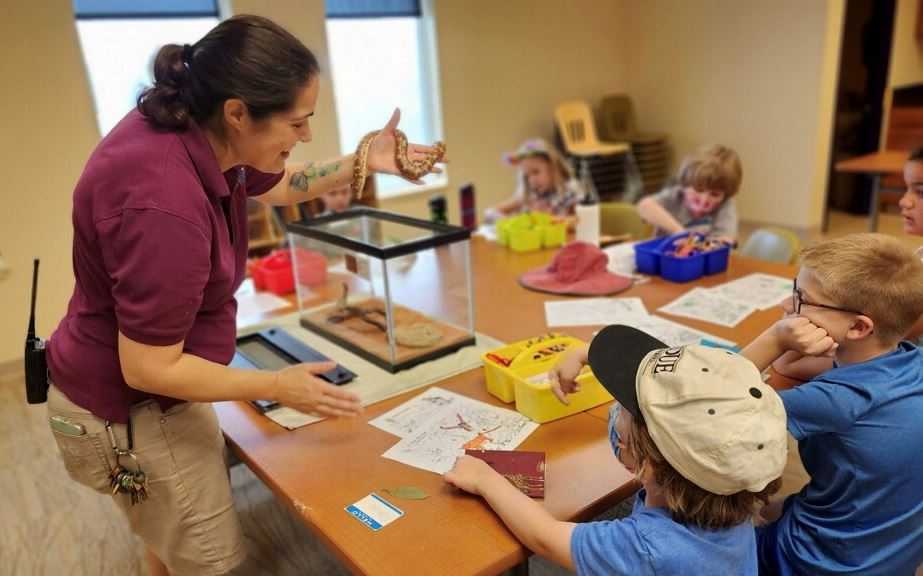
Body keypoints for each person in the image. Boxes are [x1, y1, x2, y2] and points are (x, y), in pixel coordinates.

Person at [44, 15, 442, 576]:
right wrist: (275, 386)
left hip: (121, 386)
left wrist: (364, 161)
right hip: (128, 407)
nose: (305, 136)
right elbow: (149, 367)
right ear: (237, 111)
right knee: (209, 559)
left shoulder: (194, 126)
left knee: (164, 532)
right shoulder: (164, 204)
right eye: (297, 122)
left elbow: (277, 183)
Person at [444, 324, 786, 575]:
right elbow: (702, 395)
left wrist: (484, 479)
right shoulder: (732, 483)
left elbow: (545, 538)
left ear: (648, 467)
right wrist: (587, 354)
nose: (614, 409)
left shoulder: (650, 548)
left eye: (622, 408)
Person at [741, 233, 923, 576]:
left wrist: (775, 338)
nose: (785, 304)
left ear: (857, 326)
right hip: (890, 550)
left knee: (705, 549)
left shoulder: (835, 400)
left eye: (801, 298)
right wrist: (801, 328)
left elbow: (710, 402)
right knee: (776, 508)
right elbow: (789, 366)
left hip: (824, 563)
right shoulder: (909, 360)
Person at [636, 143, 742, 244]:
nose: (704, 199)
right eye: (699, 189)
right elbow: (644, 206)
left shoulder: (725, 205)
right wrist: (677, 230)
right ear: (685, 184)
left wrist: (723, 240)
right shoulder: (677, 195)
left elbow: (726, 238)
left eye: (715, 194)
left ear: (725, 194)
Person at [483, 137, 584, 224]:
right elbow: (489, 212)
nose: (532, 180)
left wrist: (548, 220)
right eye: (527, 176)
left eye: (536, 172)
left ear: (553, 166)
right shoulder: (529, 195)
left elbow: (579, 221)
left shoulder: (570, 191)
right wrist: (510, 222)